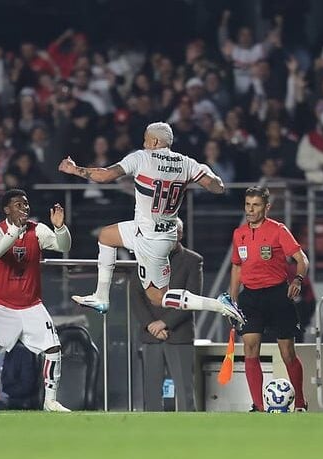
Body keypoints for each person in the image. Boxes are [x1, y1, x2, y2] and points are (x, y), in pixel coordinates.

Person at [57, 122, 244, 326]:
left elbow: (104, 176)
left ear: (155, 141)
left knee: (157, 298)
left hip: (150, 240)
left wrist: (74, 169)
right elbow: (218, 188)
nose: (144, 143)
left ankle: (219, 304)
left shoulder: (142, 158)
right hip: (159, 232)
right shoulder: (187, 163)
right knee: (106, 236)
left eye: (146, 139)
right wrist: (211, 174)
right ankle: (101, 296)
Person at [0, 189, 72, 413]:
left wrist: (60, 228)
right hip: (0, 304)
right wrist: (15, 230)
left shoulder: (37, 230)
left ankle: (50, 401)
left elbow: (64, 247)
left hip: (30, 304)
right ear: (7, 209)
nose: (24, 208)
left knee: (54, 347)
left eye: (26, 204)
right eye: (18, 205)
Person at [229, 186, 310, 412]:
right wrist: (232, 301)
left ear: (267, 207)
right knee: (250, 348)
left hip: (277, 296)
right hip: (251, 298)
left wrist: (298, 280)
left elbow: (301, 259)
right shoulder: (239, 233)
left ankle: (301, 403)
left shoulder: (278, 230)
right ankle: (258, 406)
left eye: (255, 205)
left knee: (287, 353)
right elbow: (237, 267)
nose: (250, 210)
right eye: (247, 205)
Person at [133, 218, 200, 412]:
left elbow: (192, 298)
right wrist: (151, 324)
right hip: (151, 335)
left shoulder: (193, 261)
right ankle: (151, 436)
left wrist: (164, 323)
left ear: (180, 234)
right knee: (151, 393)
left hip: (179, 335)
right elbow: (136, 295)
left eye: (171, 232)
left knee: (185, 391)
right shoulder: (145, 257)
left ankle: (191, 435)